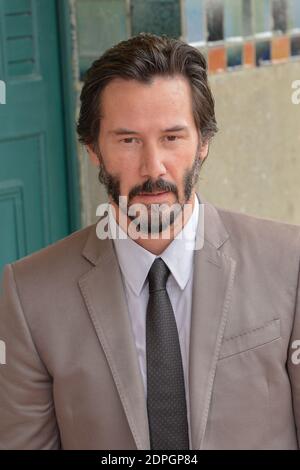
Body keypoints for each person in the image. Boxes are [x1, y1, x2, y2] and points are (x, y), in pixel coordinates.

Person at [0, 33, 299, 450]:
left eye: (172, 138)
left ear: (204, 143)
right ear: (93, 149)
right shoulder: (29, 294)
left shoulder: (289, 262)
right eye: (128, 140)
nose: (152, 166)